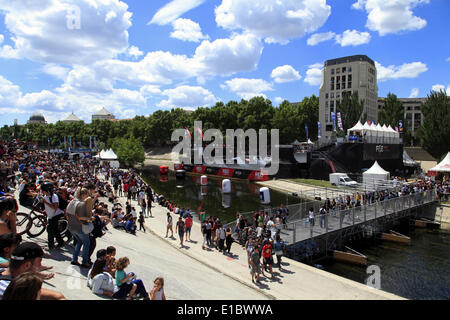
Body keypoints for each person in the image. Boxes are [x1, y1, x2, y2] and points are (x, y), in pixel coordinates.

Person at [0, 242, 65, 300]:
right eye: (39, 262)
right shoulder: (15, 292)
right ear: (27, 265)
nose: (40, 266)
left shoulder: (2, 271)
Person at [66, 188, 92, 268]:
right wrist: (89, 219)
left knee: (79, 242)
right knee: (86, 243)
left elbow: (67, 214)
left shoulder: (72, 201)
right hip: (80, 227)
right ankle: (84, 262)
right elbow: (81, 217)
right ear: (83, 195)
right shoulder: (81, 204)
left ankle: (74, 259)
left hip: (71, 226)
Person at [40, 182, 65, 250]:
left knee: (50, 230)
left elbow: (55, 207)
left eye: (43, 190)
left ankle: (50, 246)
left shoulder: (54, 197)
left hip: (56, 215)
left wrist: (45, 202)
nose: (42, 191)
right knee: (55, 230)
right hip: (51, 215)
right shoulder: (46, 196)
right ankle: (61, 242)